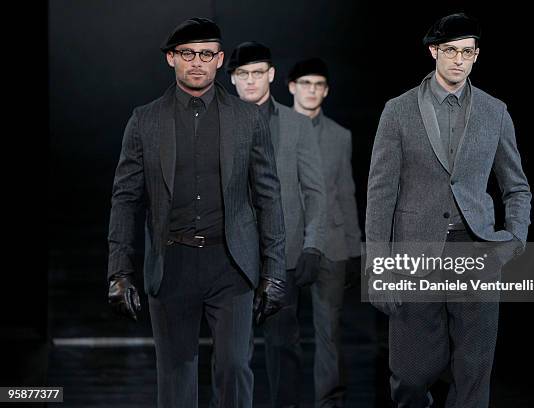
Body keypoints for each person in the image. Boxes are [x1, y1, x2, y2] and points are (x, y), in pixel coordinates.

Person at [106, 17, 287, 408]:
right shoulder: (145, 121)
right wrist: (118, 272)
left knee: (235, 368)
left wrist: (274, 272)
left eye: (206, 54)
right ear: (171, 59)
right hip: (172, 264)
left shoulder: (247, 118)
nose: (197, 62)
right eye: (187, 53)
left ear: (220, 60)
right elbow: (125, 199)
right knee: (174, 376)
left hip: (231, 263)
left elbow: (269, 197)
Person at [365, 13, 531, 408]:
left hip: (476, 251)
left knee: (473, 372)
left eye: (467, 52)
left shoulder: (495, 111)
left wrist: (515, 240)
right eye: (451, 50)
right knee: (409, 375)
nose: (459, 59)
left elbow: (517, 186)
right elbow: (380, 194)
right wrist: (377, 266)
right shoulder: (398, 110)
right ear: (433, 52)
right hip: (414, 253)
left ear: (476, 56)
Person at [223, 40, 327, 408]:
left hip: (283, 255)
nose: (251, 81)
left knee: (283, 348)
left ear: (270, 75)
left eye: (257, 73)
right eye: (242, 74)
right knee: (233, 354)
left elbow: (315, 191)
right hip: (230, 256)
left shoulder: (298, 126)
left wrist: (314, 244)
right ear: (232, 79)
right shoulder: (216, 124)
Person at [288, 57, 363, 408]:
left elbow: (345, 192)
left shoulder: (340, 136)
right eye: (306, 83)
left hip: (331, 246)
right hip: (286, 245)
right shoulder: (272, 129)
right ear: (291, 87)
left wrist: (354, 248)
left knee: (328, 331)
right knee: (281, 334)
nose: (312, 90)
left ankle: (328, 403)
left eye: (318, 84)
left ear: (327, 90)